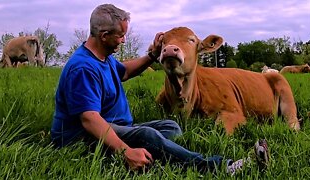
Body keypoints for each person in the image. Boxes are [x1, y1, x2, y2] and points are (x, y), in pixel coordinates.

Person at [51, 4, 267, 175]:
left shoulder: (102, 58)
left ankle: (158, 152)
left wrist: (152, 55)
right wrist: (125, 151)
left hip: (114, 125)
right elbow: (89, 119)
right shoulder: (82, 68)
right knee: (147, 135)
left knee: (170, 126)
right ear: (104, 35)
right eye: (120, 35)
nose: (124, 40)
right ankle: (221, 167)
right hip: (81, 138)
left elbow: (124, 72)